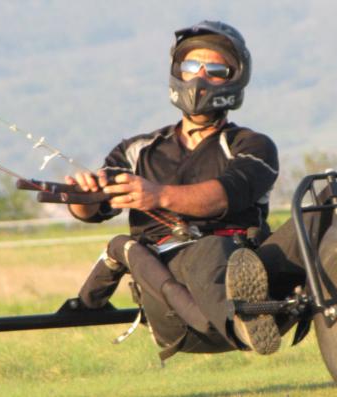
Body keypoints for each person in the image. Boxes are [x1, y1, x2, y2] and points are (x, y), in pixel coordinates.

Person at [66, 20, 308, 358]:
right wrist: (82, 197)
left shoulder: (253, 145)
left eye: (215, 70)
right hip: (174, 295)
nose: (199, 77)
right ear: (178, 72)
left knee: (316, 219)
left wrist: (158, 194)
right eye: (192, 66)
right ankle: (243, 321)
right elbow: (94, 211)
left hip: (252, 263)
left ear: (234, 78)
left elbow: (228, 193)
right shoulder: (136, 151)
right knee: (210, 249)